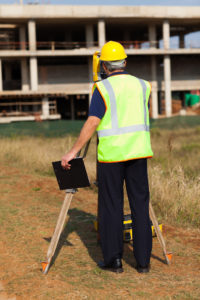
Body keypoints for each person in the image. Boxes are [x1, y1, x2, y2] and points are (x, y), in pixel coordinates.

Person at [61, 41, 153, 274]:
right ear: (124, 61)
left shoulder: (102, 88)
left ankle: (114, 261)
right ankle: (143, 263)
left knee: (112, 206)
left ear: (103, 65)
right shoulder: (144, 86)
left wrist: (73, 152)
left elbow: (93, 121)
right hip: (139, 152)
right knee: (140, 206)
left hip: (112, 156)